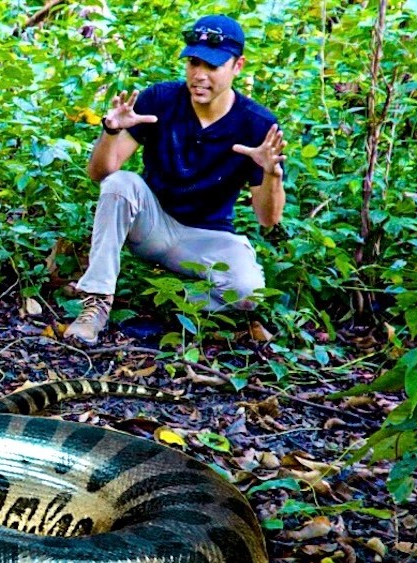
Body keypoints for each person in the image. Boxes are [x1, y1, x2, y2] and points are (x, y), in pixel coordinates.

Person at [61, 14, 287, 345]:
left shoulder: (258, 124)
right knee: (120, 183)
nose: (199, 74)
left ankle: (167, 302)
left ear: (238, 66)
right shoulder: (161, 100)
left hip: (207, 238)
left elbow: (268, 219)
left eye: (212, 66)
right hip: (152, 225)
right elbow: (101, 174)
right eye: (194, 62)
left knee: (248, 293)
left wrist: (270, 173)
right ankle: (96, 301)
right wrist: (111, 131)